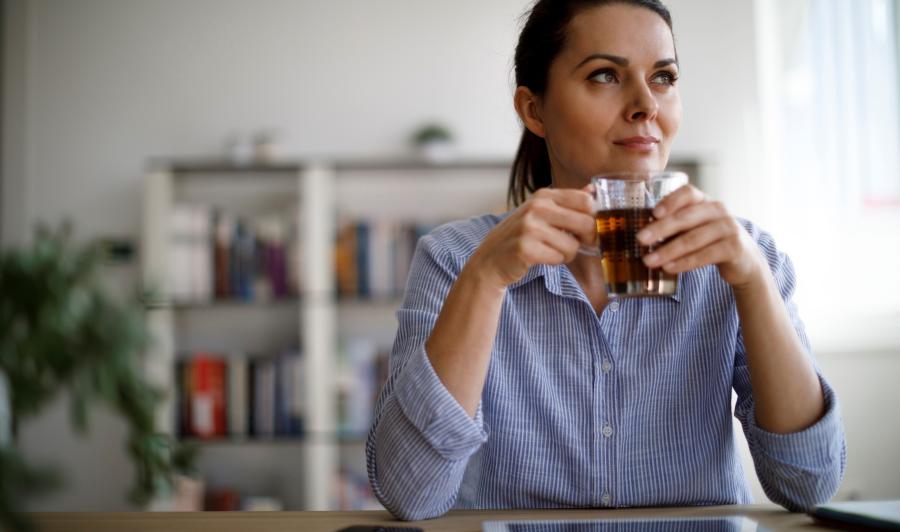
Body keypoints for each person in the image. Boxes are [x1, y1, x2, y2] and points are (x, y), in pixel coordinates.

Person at [366, 0, 846, 521]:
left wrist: (753, 283)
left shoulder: (747, 260)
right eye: (604, 75)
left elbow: (810, 483)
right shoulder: (456, 259)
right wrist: (485, 279)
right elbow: (411, 495)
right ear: (533, 110)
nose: (647, 106)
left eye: (663, 77)